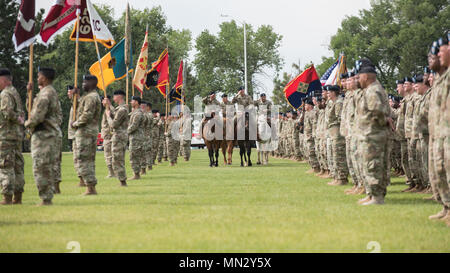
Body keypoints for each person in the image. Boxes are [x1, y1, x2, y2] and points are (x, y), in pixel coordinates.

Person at [355, 58, 391, 205]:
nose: (358, 79)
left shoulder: (373, 90)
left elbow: (378, 111)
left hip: (373, 134)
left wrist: (382, 123)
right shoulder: (371, 89)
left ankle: (377, 197)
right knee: (370, 165)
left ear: (366, 76)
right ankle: (372, 194)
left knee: (373, 165)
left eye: (359, 76)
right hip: (369, 134)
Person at [24, 67, 62, 206]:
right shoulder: (48, 92)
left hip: (44, 135)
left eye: (39, 76)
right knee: (45, 166)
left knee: (41, 167)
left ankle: (46, 198)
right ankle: (47, 196)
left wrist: (26, 124)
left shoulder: (46, 94)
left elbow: (37, 116)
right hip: (46, 134)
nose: (37, 78)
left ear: (44, 78)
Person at [70, 75, 102, 195]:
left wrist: (76, 123)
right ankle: (89, 185)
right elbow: (79, 109)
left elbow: (87, 115)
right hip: (84, 132)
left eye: (85, 81)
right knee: (84, 159)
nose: (83, 84)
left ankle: (90, 187)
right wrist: (76, 97)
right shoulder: (87, 96)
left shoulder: (92, 97)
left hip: (86, 132)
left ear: (93, 83)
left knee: (85, 159)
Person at [0, 68, 25, 205]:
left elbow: (7, 112)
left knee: (6, 166)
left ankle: (7, 197)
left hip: (6, 135)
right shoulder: (14, 92)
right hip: (16, 135)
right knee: (17, 166)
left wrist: (17, 119)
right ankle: (18, 196)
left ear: (3, 80)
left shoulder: (5, 94)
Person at [104, 90, 129, 187]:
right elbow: (114, 114)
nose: (113, 97)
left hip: (119, 136)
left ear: (119, 96)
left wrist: (108, 117)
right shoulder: (120, 109)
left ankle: (123, 181)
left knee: (118, 159)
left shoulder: (122, 109)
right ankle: (122, 180)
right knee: (117, 158)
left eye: (115, 95)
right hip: (119, 136)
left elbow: (114, 124)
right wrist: (109, 105)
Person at [326, 85, 349, 186]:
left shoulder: (339, 103)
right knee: (334, 155)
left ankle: (342, 178)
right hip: (333, 132)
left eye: (329, 92)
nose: (327, 94)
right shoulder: (332, 103)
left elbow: (340, 118)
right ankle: (337, 177)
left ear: (334, 93)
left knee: (338, 155)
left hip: (338, 132)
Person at [128, 96, 145, 180]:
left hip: (136, 138)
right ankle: (136, 173)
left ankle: (136, 174)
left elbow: (134, 126)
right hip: (134, 137)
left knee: (134, 156)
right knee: (134, 156)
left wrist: (125, 132)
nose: (131, 102)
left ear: (137, 102)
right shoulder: (134, 112)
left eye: (132, 101)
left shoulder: (138, 113)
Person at [101, 95, 115, 178]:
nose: (102, 102)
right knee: (108, 155)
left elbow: (113, 116)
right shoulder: (106, 110)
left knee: (109, 155)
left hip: (109, 136)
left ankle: (112, 173)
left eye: (103, 100)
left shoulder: (110, 109)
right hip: (106, 135)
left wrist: (108, 106)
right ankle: (111, 172)